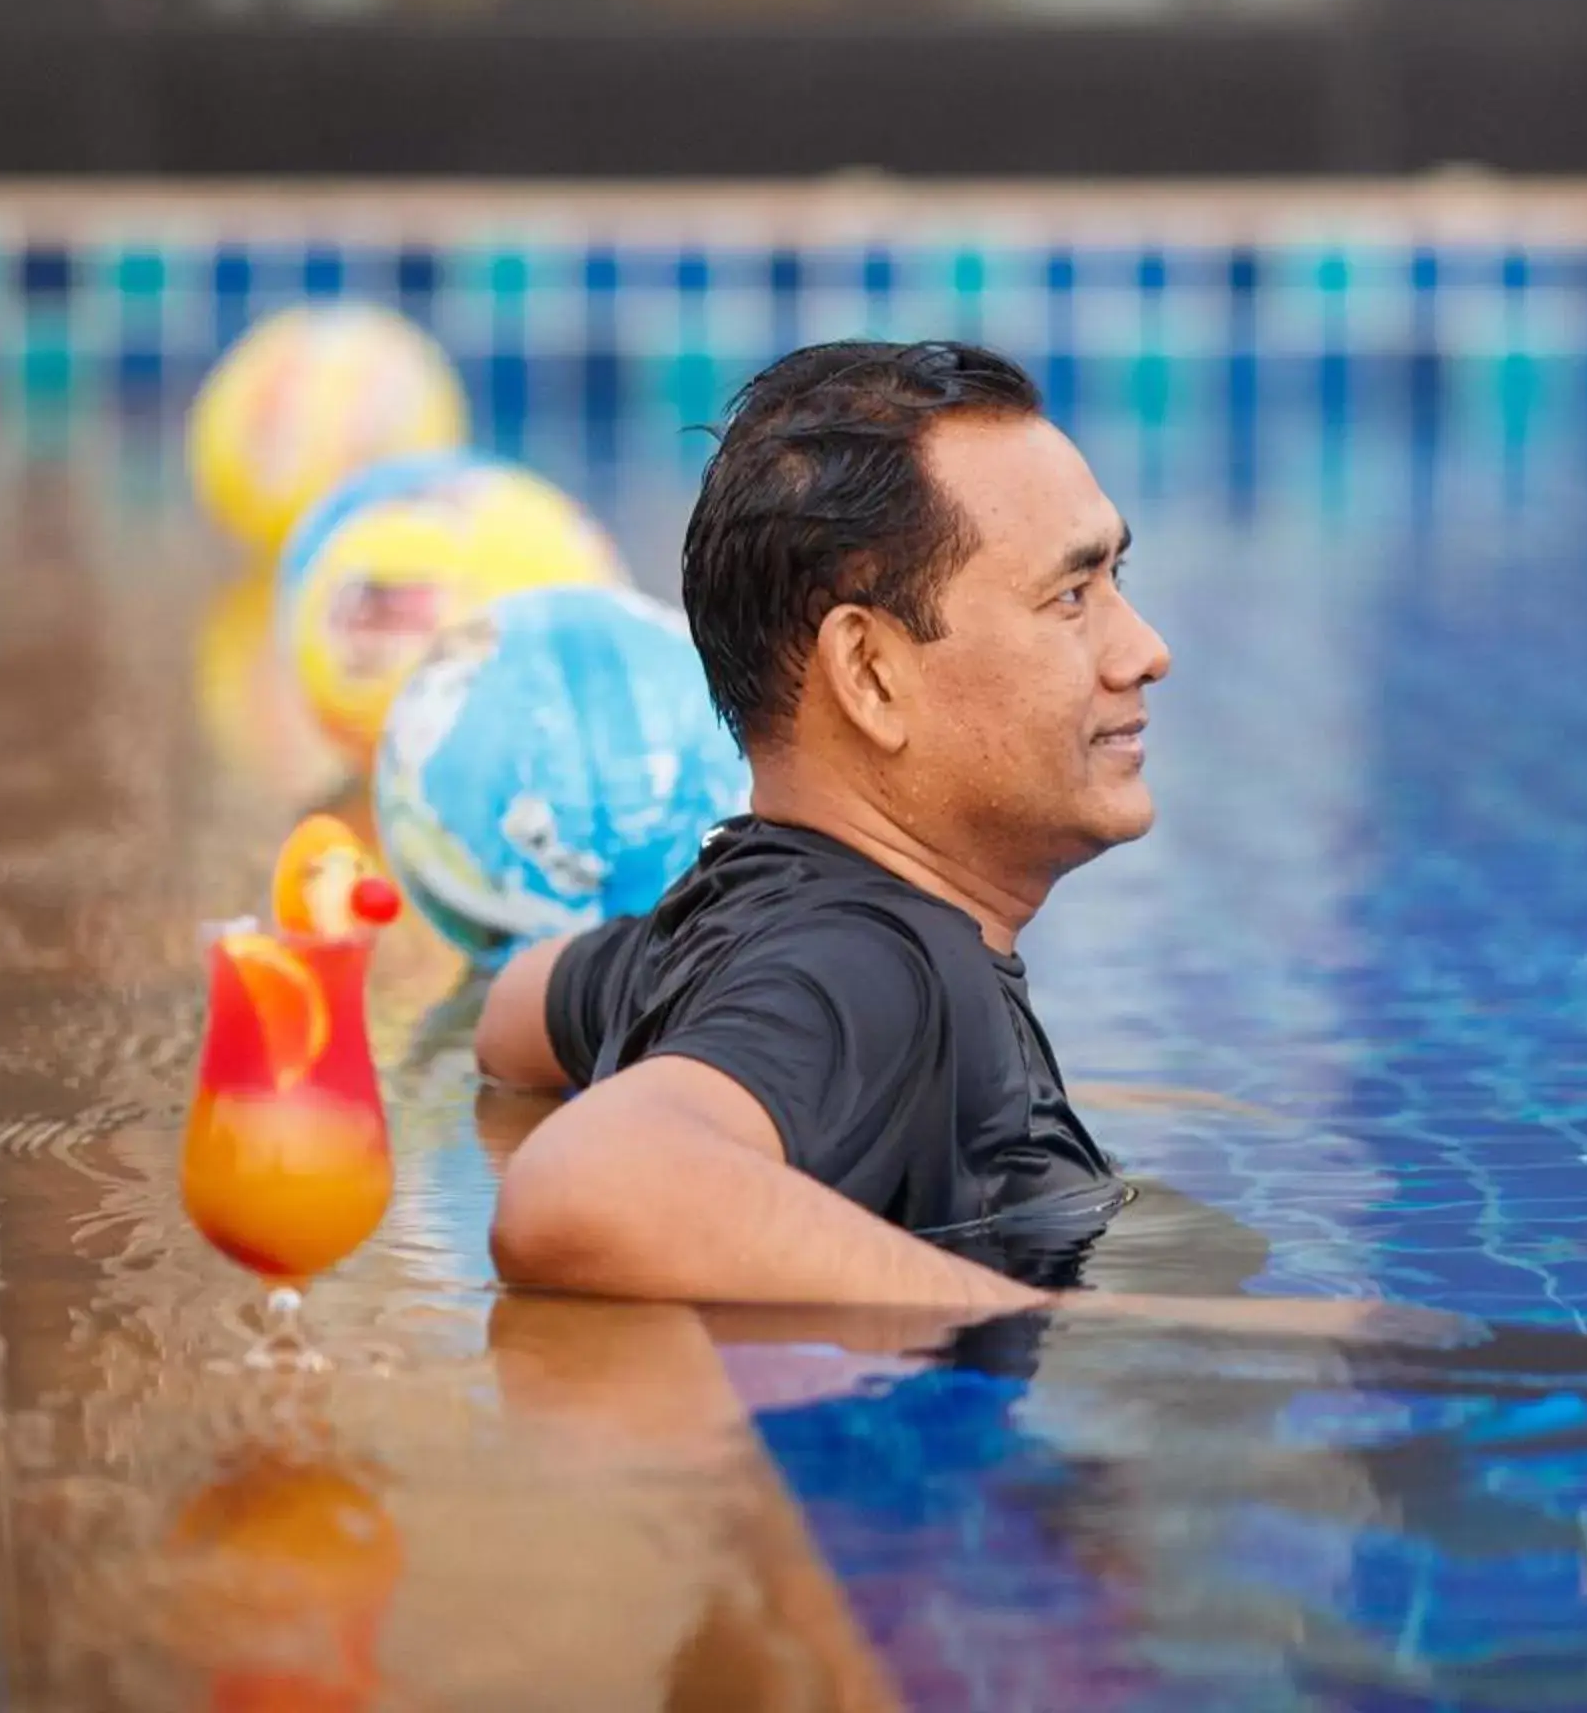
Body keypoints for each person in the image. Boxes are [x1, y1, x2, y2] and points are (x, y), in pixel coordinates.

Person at [475, 339, 1167, 1312]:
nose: (1146, 650)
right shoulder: (890, 970)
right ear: (872, 675)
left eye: (1115, 581)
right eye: (1070, 596)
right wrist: (1041, 1316)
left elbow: (514, 1013)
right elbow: (579, 1188)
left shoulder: (720, 916)